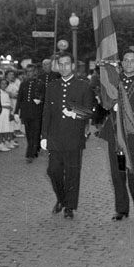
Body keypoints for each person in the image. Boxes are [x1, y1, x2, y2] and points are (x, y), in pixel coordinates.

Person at [100, 50, 134, 221]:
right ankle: (121, 209)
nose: (128, 63)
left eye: (132, 61)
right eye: (125, 60)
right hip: (115, 135)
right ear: (121, 63)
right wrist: (110, 105)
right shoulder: (114, 82)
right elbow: (104, 102)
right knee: (118, 173)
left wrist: (128, 112)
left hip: (133, 137)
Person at [40, 53, 94, 219]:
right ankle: (61, 198)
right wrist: (44, 135)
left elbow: (89, 111)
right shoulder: (52, 86)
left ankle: (70, 206)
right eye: (60, 64)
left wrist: (74, 114)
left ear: (72, 66)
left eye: (66, 64)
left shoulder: (83, 86)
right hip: (55, 137)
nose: (63, 67)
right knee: (53, 171)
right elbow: (47, 112)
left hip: (73, 136)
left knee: (72, 173)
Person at [14, 64, 45, 162]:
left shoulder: (40, 83)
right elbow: (20, 98)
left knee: (35, 133)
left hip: (36, 112)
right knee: (28, 133)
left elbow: (45, 96)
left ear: (35, 72)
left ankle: (30, 153)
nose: (29, 73)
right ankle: (32, 149)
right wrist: (16, 111)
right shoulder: (24, 84)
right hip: (26, 111)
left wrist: (40, 100)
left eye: (31, 71)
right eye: (27, 72)